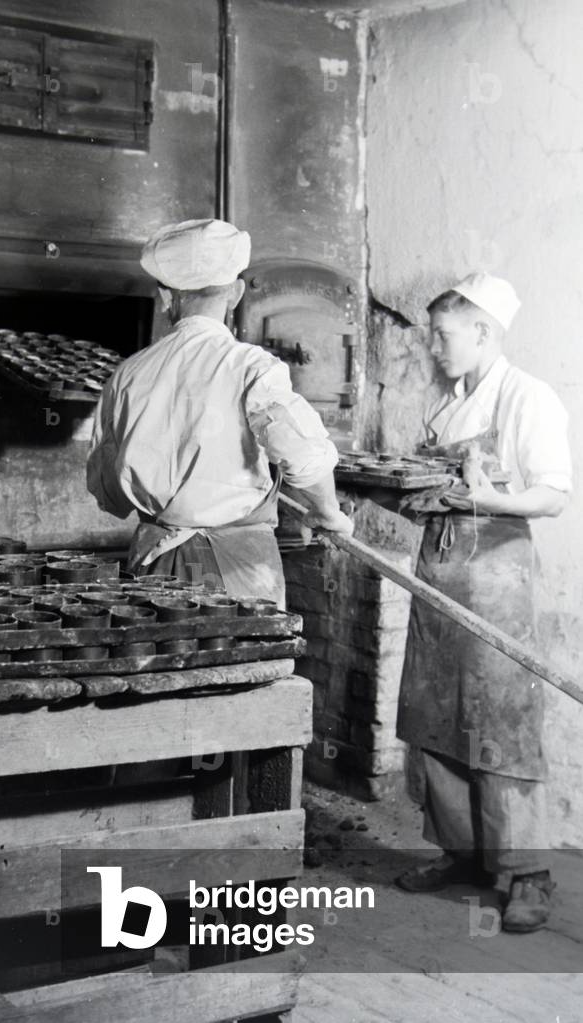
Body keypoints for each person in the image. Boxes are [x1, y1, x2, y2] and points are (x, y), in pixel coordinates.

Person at [394, 272, 572, 933]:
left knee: (499, 724)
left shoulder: (527, 397)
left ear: (482, 332)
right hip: (439, 568)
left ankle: (525, 872)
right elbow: (431, 481)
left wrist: (476, 498)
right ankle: (460, 852)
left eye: (443, 335)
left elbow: (552, 495)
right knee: (436, 713)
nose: (434, 346)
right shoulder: (445, 401)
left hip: (494, 571)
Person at [87, 218, 352, 607]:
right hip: (239, 574)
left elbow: (108, 494)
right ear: (236, 293)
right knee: (243, 666)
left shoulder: (128, 373)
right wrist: (329, 514)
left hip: (153, 566)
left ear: (166, 297)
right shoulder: (251, 367)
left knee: (164, 666)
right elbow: (303, 454)